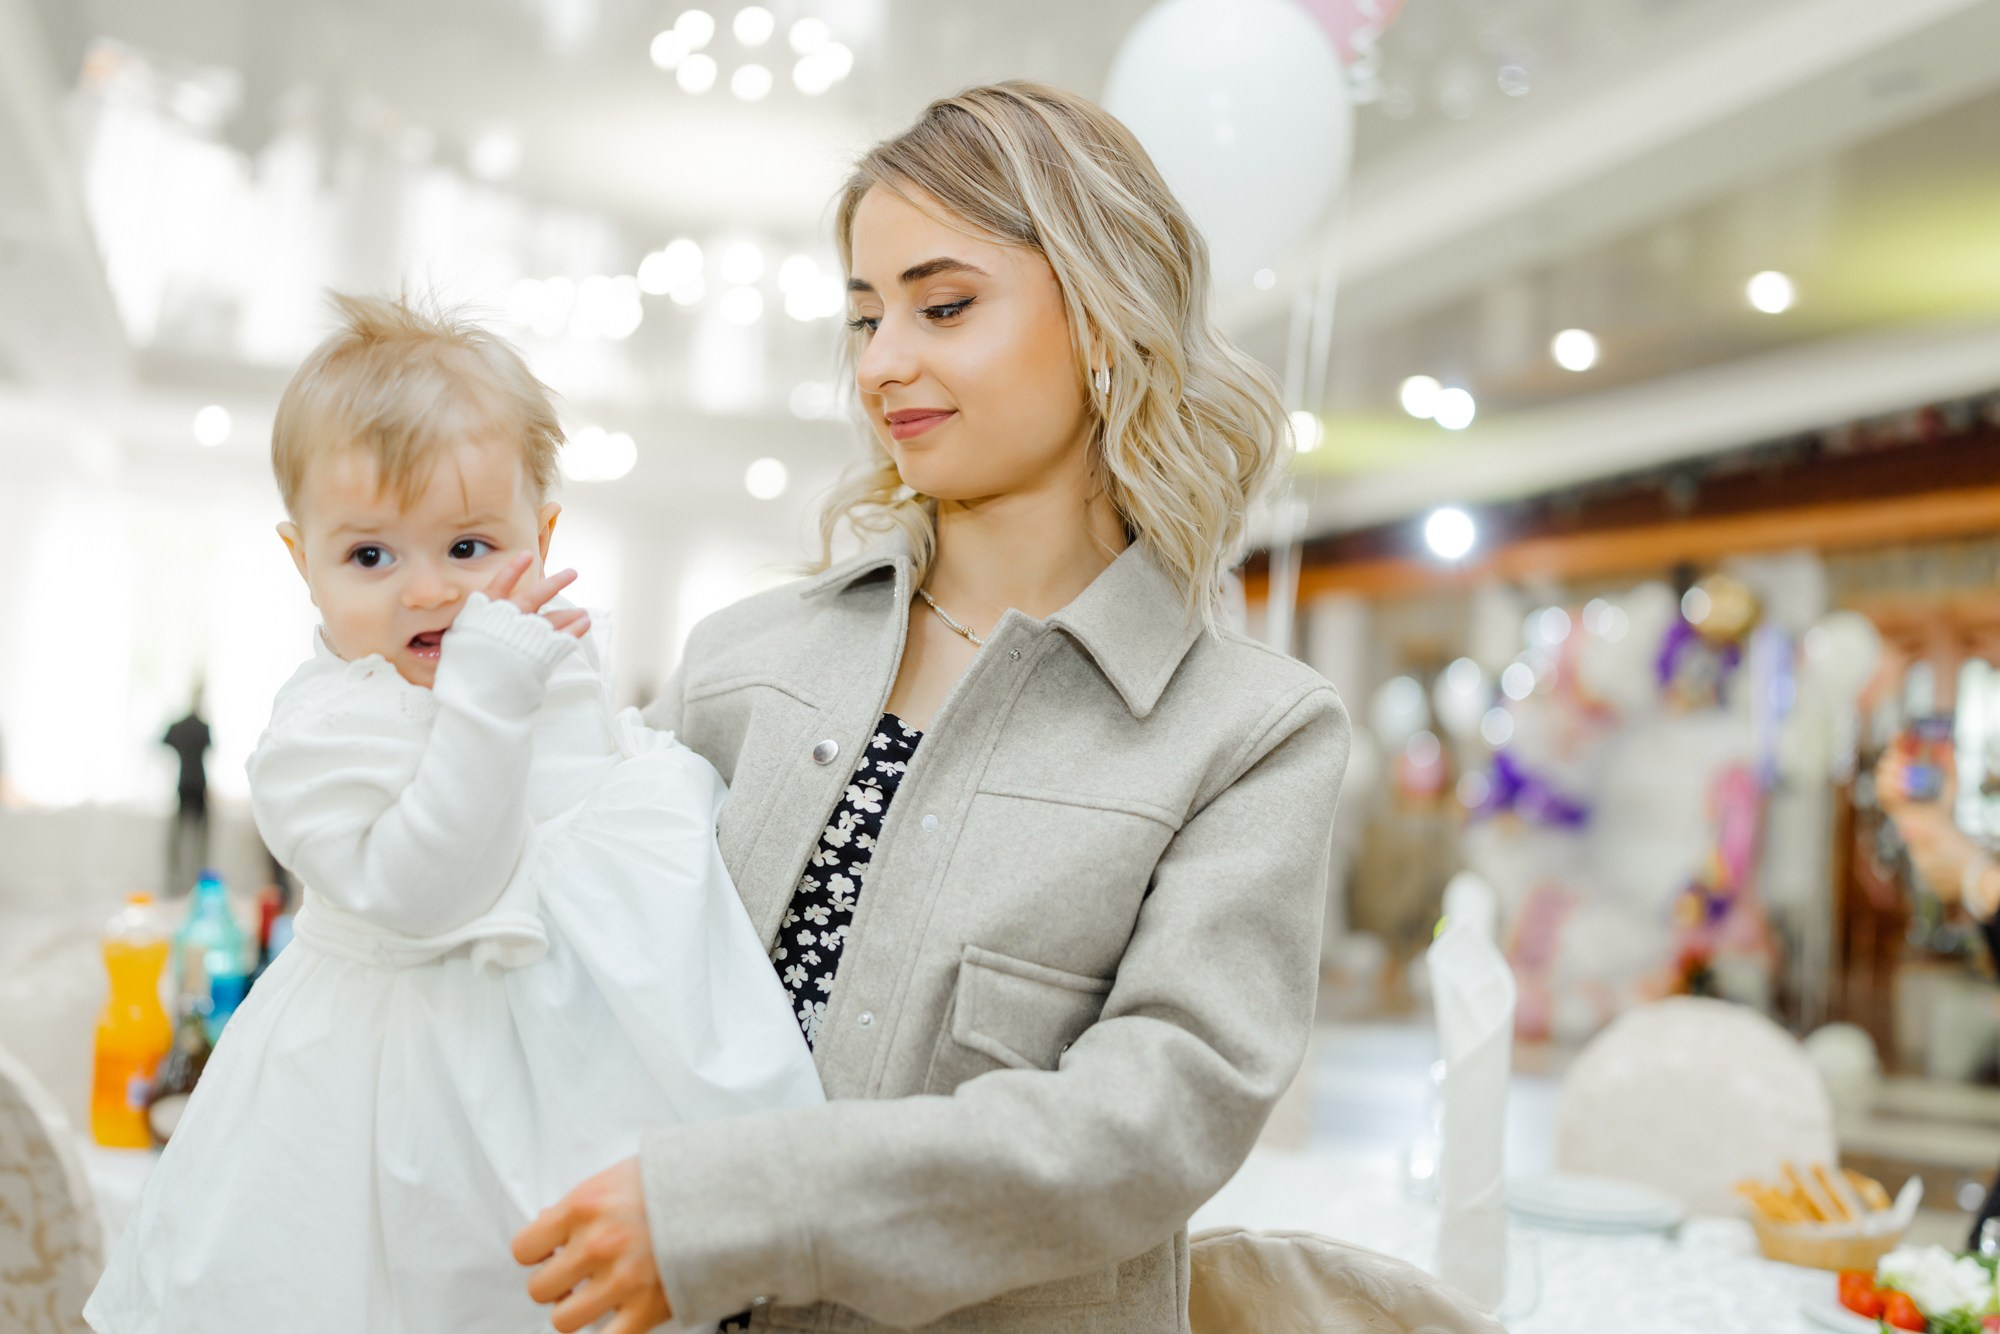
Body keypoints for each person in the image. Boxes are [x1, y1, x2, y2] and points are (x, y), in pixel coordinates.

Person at [514, 82, 1352, 1333]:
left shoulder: (1247, 734)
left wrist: (733, 1206)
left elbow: (1144, 1126)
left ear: (1104, 320)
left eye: (942, 305)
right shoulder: (746, 659)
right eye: (863, 317)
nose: (882, 364)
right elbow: (576, 979)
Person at [86, 295, 823, 1334]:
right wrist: (490, 694)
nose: (426, 590)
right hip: (395, 1112)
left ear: (543, 533)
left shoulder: (542, 669)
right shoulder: (327, 729)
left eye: (470, 547)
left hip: (563, 1081)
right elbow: (430, 890)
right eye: (371, 557)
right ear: (304, 561)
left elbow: (621, 802)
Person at [160, 688, 212, 895]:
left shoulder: (178, 726)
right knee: (198, 839)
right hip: (197, 783)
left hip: (185, 784)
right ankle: (193, 881)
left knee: (181, 837)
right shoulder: (202, 727)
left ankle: (177, 880)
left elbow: (163, 743)